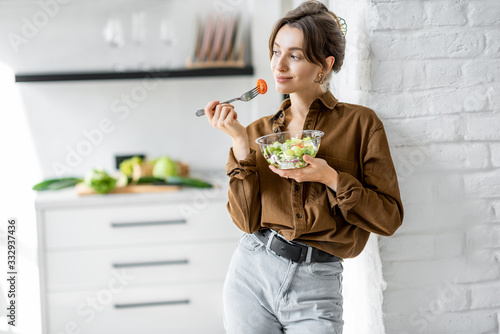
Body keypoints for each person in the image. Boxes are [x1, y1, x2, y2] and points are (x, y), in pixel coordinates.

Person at [203, 1, 403, 333]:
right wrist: (240, 144)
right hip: (251, 271)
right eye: (276, 51)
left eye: (294, 56)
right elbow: (245, 220)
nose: (278, 65)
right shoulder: (257, 133)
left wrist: (330, 177)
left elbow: (388, 218)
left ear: (325, 65)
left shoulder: (361, 125)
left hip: (317, 283)